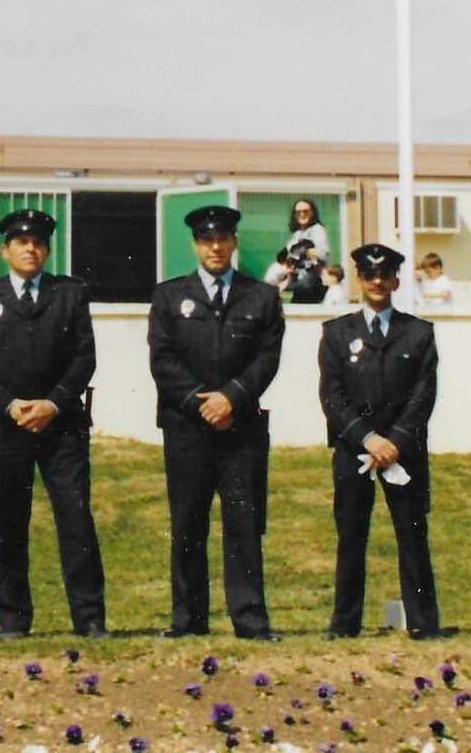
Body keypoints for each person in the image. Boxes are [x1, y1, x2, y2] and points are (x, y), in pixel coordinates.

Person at [0, 207, 107, 638]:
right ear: (5, 250)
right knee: (9, 523)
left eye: (38, 243)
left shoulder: (70, 294)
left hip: (60, 427)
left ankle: (90, 616)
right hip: (4, 427)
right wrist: (8, 404)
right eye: (22, 242)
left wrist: (52, 403)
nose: (31, 249)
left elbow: (84, 358)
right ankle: (13, 618)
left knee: (75, 520)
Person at [145, 205, 285, 640]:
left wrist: (231, 398)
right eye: (207, 239)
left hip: (240, 427)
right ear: (195, 244)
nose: (216, 247)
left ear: (234, 242)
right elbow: (162, 359)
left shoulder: (261, 297)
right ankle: (188, 620)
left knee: (243, 523)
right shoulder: (169, 296)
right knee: (188, 522)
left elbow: (267, 358)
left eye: (223, 239)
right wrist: (199, 402)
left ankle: (250, 620)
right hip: (186, 426)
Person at [317, 242, 443, 640]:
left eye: (384, 275)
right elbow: (332, 397)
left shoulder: (419, 333)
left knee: (412, 535)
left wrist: (395, 442)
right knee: (351, 535)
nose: (376, 282)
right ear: (359, 279)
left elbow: (424, 395)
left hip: (403, 451)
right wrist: (368, 439)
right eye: (369, 275)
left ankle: (423, 623)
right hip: (355, 449)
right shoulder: (337, 333)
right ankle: (344, 623)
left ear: (395, 280)